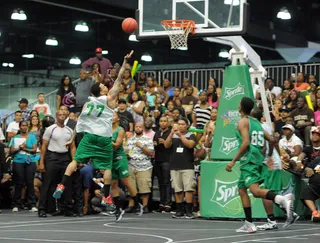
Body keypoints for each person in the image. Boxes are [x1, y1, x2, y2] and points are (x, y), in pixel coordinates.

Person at [52, 50, 134, 213]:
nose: (105, 86)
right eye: (103, 86)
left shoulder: (87, 104)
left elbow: (80, 122)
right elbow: (118, 79)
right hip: (103, 138)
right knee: (108, 167)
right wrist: (125, 62)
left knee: (75, 161)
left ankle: (61, 184)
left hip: (88, 137)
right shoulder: (109, 99)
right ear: (102, 91)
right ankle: (106, 197)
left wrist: (72, 138)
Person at [225, 97, 297, 233]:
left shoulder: (243, 122)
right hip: (257, 160)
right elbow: (272, 139)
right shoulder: (256, 123)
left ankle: (283, 199)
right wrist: (267, 154)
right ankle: (249, 223)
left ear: (240, 107)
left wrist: (233, 161)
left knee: (255, 191)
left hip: (249, 160)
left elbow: (245, 142)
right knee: (241, 189)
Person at [110, 112, 143, 221]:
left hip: (120, 157)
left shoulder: (121, 130)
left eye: (113, 115)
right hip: (110, 158)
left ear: (118, 119)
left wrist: (105, 142)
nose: (111, 117)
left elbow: (117, 145)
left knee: (126, 182)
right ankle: (118, 209)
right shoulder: (106, 129)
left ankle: (138, 203)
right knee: (113, 184)